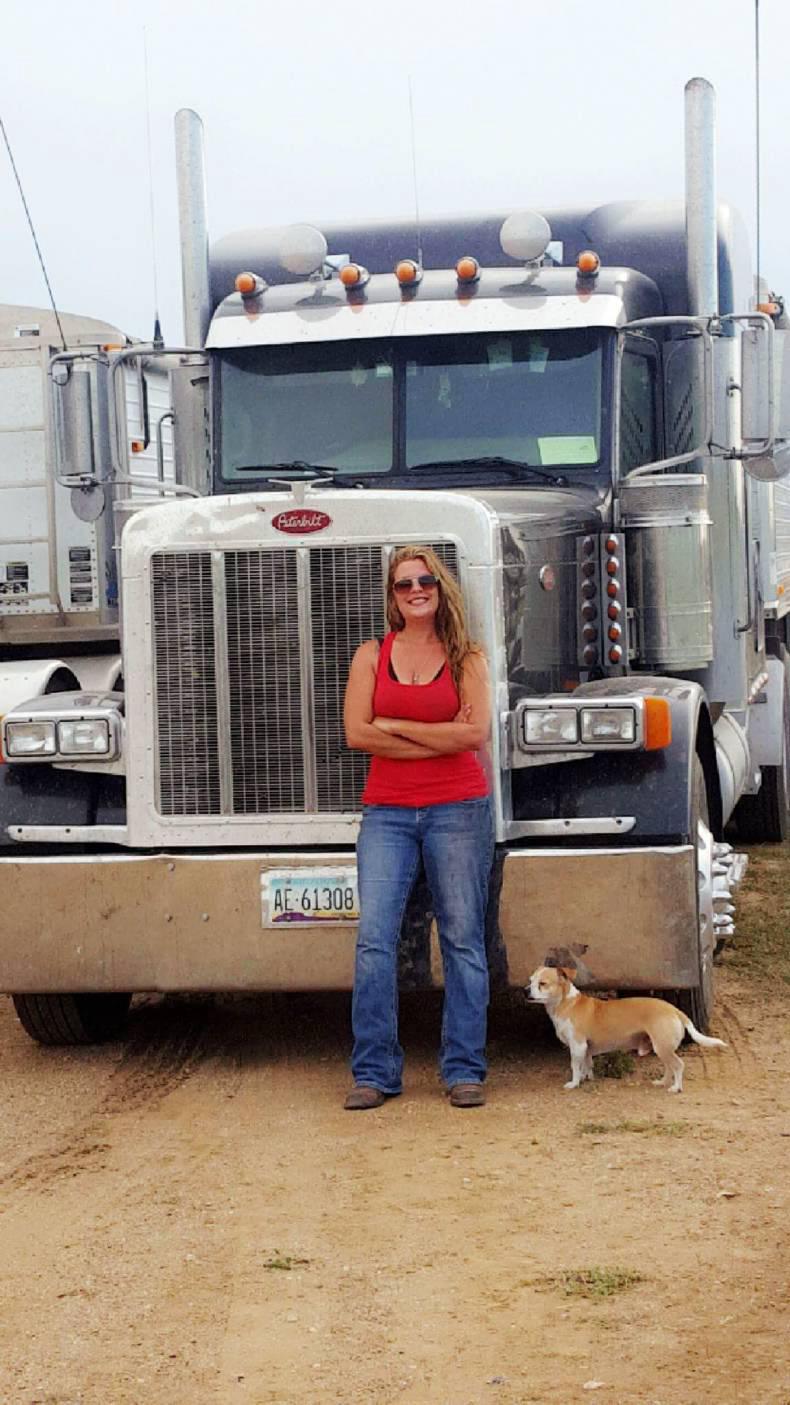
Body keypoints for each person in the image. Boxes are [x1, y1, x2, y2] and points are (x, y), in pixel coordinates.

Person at [342, 546, 494, 1110]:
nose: (415, 590)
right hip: (387, 813)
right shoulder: (370, 656)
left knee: (462, 940)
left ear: (440, 587)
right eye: (404, 584)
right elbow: (357, 734)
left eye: (424, 580)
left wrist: (397, 725)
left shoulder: (467, 658)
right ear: (393, 596)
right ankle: (375, 1072)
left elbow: (473, 736)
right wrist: (436, 733)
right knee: (374, 941)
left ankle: (464, 1069)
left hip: (459, 808)